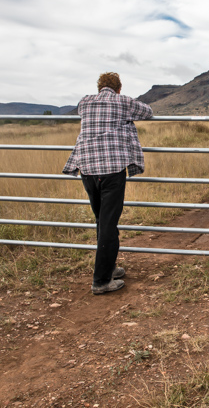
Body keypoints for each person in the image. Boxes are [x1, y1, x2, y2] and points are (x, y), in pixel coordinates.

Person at [63, 72, 153, 294]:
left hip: (87, 168)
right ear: (119, 88)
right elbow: (148, 112)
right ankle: (101, 281)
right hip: (111, 169)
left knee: (101, 220)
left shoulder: (84, 102)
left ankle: (109, 268)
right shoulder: (123, 102)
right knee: (108, 224)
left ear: (98, 87)